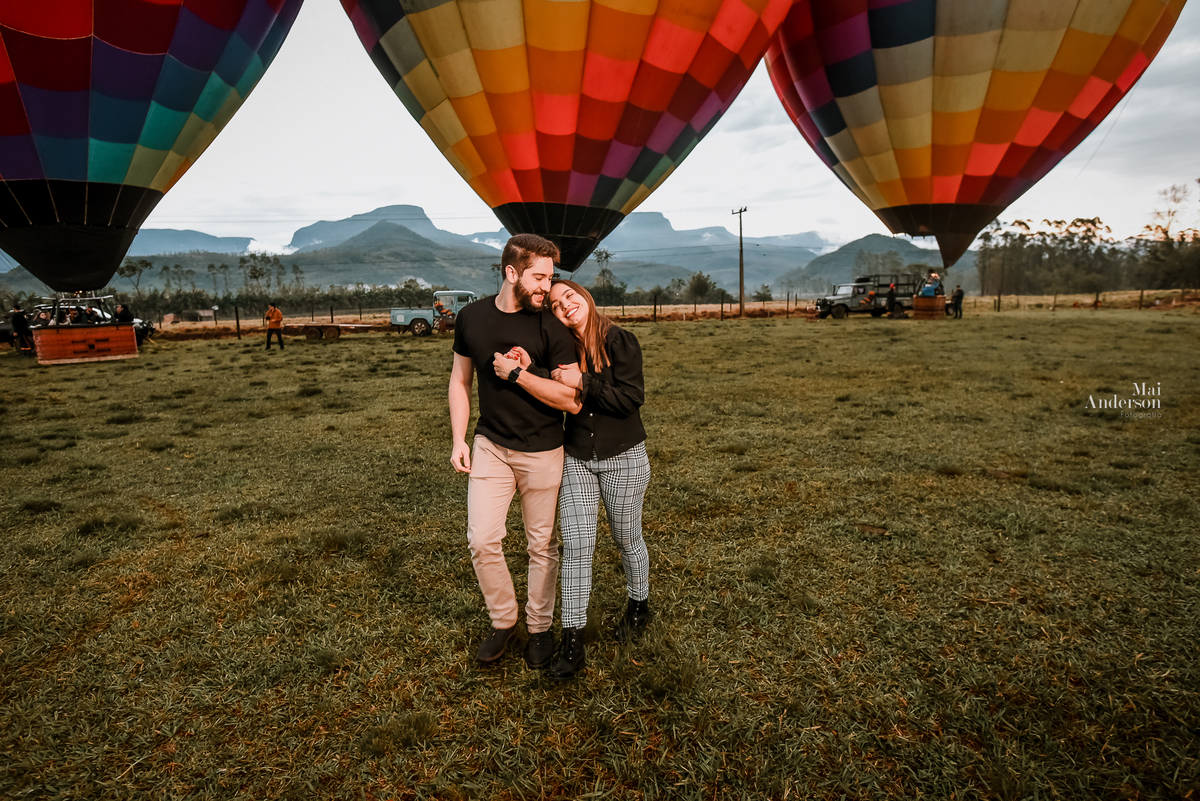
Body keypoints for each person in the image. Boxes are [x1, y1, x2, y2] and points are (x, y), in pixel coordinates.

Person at [493, 279, 651, 682]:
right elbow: (553, 379)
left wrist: (582, 381)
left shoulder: (619, 340)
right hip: (577, 458)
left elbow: (630, 398)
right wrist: (529, 366)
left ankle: (639, 604)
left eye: (570, 297)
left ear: (585, 297)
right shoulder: (564, 347)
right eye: (558, 305)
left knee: (625, 537)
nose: (565, 306)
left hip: (624, 459)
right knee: (577, 546)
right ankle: (573, 638)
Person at [448, 234, 577, 668]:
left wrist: (520, 372)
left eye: (550, 277)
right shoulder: (471, 317)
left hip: (544, 450)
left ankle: (540, 628)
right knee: (482, 539)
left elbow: (570, 399)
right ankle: (504, 620)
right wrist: (458, 438)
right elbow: (459, 381)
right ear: (511, 273)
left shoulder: (552, 325)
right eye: (539, 277)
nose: (547, 287)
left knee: (542, 545)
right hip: (491, 444)